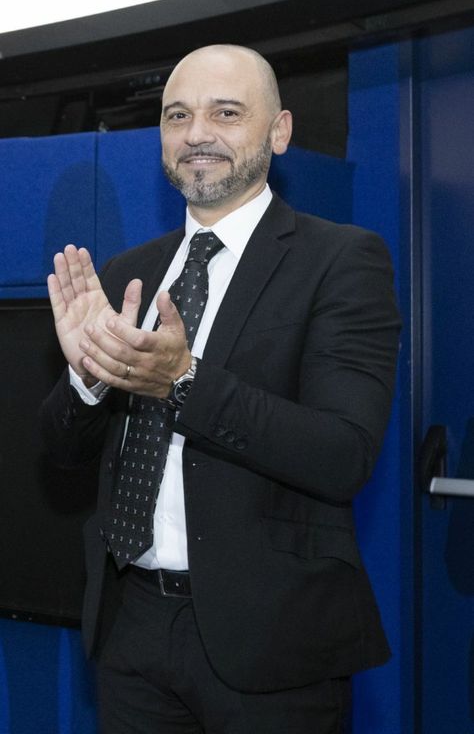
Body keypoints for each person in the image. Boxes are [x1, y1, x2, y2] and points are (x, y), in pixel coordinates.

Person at [40, 44, 401, 734]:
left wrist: (184, 381)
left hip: (273, 645)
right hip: (129, 630)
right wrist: (87, 377)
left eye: (226, 113)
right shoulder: (128, 272)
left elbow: (343, 453)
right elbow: (60, 452)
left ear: (280, 131)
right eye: (177, 115)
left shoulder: (341, 260)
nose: (197, 133)